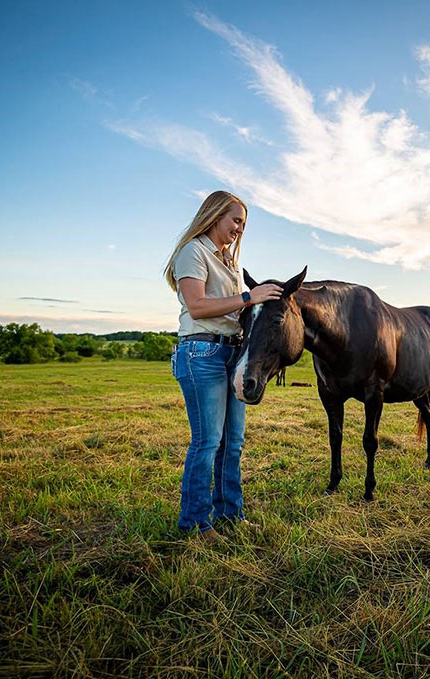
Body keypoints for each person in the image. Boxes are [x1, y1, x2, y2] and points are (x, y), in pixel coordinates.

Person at [164, 191, 282, 541]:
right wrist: (249, 296)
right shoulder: (194, 252)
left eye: (243, 225)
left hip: (231, 354)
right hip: (202, 353)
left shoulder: (229, 262)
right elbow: (198, 307)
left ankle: (230, 514)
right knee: (207, 442)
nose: (239, 229)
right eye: (235, 221)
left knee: (233, 443)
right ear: (215, 215)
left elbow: (234, 312)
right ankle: (195, 524)